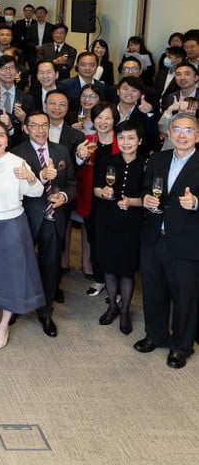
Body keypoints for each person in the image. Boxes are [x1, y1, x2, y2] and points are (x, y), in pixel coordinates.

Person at [0, 120, 46, 351]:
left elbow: (37, 191)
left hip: (13, 226)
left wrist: (29, 177)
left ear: (7, 140)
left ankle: (4, 324)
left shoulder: (17, 162)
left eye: (1, 135)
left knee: (12, 277)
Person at [137, 114, 199, 369]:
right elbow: (145, 189)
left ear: (197, 136)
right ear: (169, 134)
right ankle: (155, 335)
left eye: (188, 130)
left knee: (185, 297)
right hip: (154, 236)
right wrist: (146, 199)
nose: (182, 135)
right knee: (153, 290)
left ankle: (181, 346)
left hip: (187, 241)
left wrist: (196, 203)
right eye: (177, 130)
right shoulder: (158, 159)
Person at [11, 112, 77, 337]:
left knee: (50, 267)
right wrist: (40, 175)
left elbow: (72, 184)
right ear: (25, 128)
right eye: (34, 126)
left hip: (53, 218)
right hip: (27, 218)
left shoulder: (61, 151)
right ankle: (17, 306)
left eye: (44, 125)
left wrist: (64, 197)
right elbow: (14, 187)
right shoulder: (16, 153)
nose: (40, 130)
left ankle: (45, 312)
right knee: (22, 266)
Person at [91, 121, 146, 335]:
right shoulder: (107, 160)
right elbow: (96, 188)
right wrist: (103, 192)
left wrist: (131, 202)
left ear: (139, 141)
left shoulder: (146, 164)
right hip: (107, 219)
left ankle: (124, 311)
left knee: (126, 268)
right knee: (109, 265)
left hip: (131, 222)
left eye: (131, 138)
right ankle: (112, 305)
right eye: (121, 138)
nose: (126, 142)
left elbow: (150, 197)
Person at [74, 101, 120, 297]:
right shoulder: (86, 141)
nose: (103, 121)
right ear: (93, 119)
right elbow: (76, 171)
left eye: (108, 117)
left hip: (116, 201)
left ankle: (117, 283)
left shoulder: (122, 141)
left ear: (115, 120)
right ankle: (100, 279)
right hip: (91, 200)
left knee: (115, 242)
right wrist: (80, 156)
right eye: (99, 117)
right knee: (94, 239)